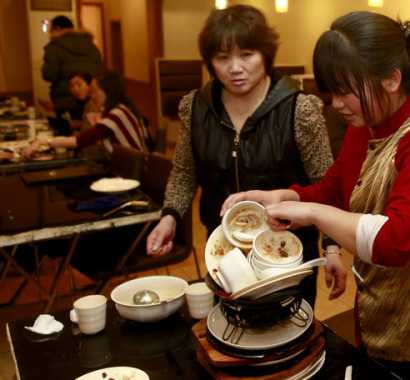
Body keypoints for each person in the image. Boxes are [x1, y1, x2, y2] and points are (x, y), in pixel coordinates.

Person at [221, 11, 410, 380]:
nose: (336, 104)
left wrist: (309, 212)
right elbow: (332, 193)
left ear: (391, 79)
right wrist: (279, 195)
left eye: (345, 92)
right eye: (331, 93)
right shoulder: (364, 127)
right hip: (378, 313)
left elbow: (395, 241)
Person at [145, 5, 341, 307]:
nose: (235, 67)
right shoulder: (195, 107)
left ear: (265, 54)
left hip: (285, 251)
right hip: (224, 253)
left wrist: (332, 248)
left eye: (246, 54)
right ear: (211, 61)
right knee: (229, 332)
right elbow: (184, 171)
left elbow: (327, 183)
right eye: (223, 58)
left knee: (288, 335)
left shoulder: (299, 108)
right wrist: (170, 216)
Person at [22, 70, 151, 159]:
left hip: (131, 174)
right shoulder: (122, 108)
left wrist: (42, 141)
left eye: (94, 91)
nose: (92, 96)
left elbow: (82, 140)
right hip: (125, 168)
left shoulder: (117, 114)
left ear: (108, 91)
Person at [40, 15, 103, 136]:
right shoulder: (91, 45)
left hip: (65, 101)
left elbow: (49, 74)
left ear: (57, 28)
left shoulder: (55, 47)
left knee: (68, 132)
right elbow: (100, 70)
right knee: (89, 129)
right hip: (91, 98)